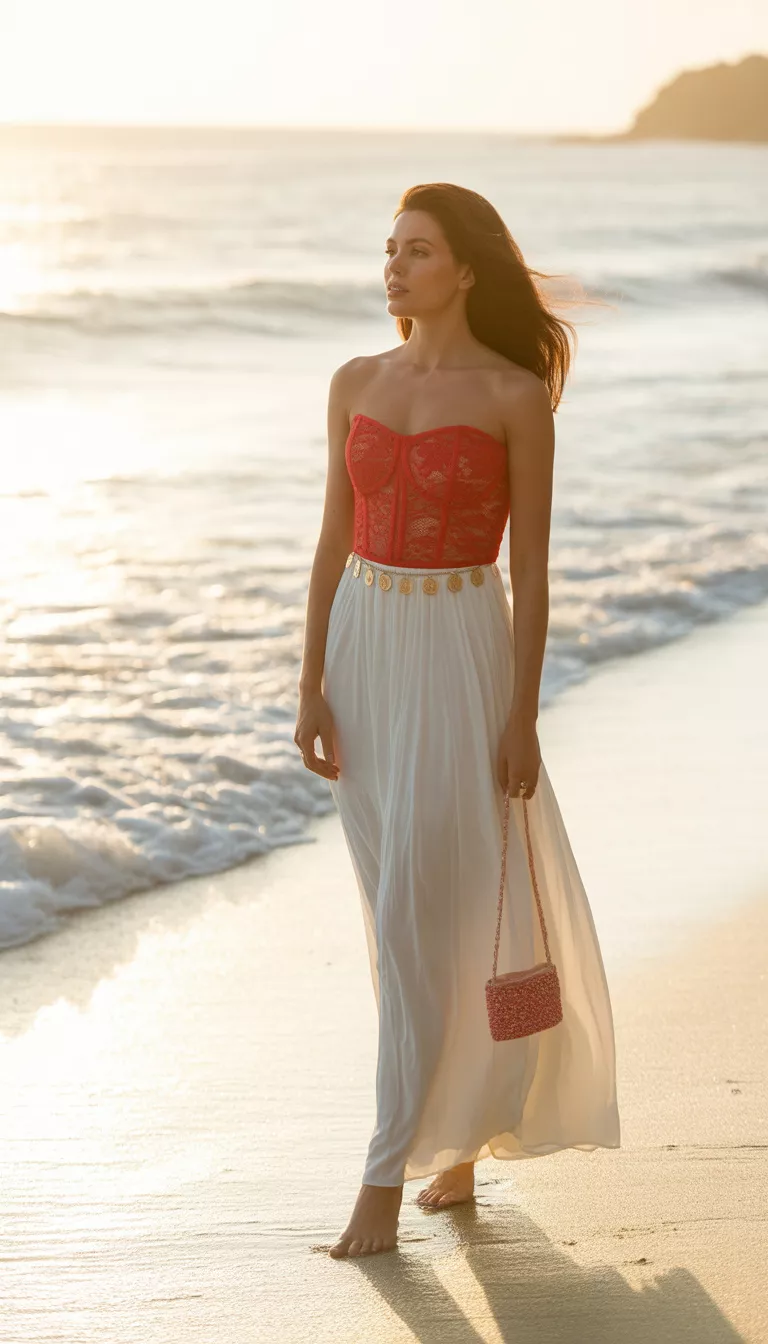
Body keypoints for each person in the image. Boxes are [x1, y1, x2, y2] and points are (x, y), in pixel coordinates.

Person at [294, 182, 620, 1260]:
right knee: (398, 911)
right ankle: (458, 1146)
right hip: (365, 647)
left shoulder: (515, 394)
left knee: (418, 907)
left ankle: (383, 1180)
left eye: (418, 250)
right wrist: (309, 681)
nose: (394, 266)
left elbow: (528, 570)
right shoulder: (354, 381)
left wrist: (523, 715)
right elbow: (333, 538)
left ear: (466, 268)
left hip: (459, 645)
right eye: (388, 249)